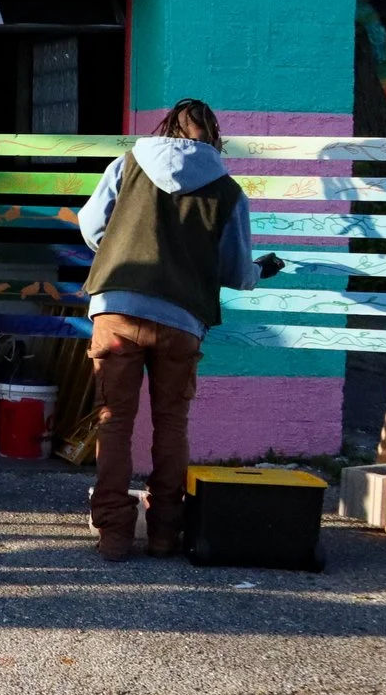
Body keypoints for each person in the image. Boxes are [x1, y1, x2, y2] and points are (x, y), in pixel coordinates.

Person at [76, 99, 284, 561]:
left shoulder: (128, 163)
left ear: (167, 128)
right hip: (182, 320)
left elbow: (91, 228)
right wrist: (260, 270)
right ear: (214, 138)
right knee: (171, 424)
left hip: (117, 310)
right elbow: (234, 272)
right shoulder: (229, 192)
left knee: (114, 422)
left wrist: (120, 247)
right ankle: (164, 533)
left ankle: (113, 535)